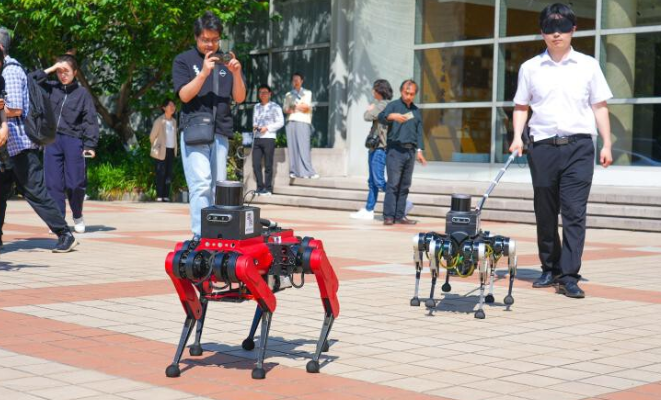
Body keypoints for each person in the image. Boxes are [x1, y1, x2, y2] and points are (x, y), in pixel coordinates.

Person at [509, 3, 613, 299]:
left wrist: (606, 143)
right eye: (551, 29)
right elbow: (521, 106)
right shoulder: (530, 68)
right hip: (542, 147)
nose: (557, 34)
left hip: (579, 146)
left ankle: (568, 275)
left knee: (574, 212)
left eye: (563, 28)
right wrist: (518, 136)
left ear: (573, 30)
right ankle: (550, 267)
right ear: (542, 32)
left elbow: (599, 106)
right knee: (545, 210)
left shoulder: (588, 65)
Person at [0, 27, 77, 252]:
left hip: (19, 145)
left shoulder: (11, 71)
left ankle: (65, 234)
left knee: (35, 192)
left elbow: (15, 108)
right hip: (7, 147)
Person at [172, 11, 246, 239]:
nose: (210, 44)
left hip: (220, 132)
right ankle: (199, 235)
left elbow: (240, 97)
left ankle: (216, 234)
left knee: (218, 187)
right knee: (200, 184)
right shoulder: (184, 60)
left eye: (215, 39)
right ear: (196, 38)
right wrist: (203, 73)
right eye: (206, 39)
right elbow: (184, 95)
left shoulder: (226, 62)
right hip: (195, 132)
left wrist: (236, 73)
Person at [30, 54, 100, 234]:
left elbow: (90, 120)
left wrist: (90, 145)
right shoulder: (51, 87)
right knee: (53, 183)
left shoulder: (82, 93)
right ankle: (59, 220)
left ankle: (77, 214)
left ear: (75, 73)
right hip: (52, 140)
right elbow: (30, 81)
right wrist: (52, 68)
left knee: (75, 183)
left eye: (66, 71)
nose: (63, 75)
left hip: (73, 139)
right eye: (60, 72)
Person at [379, 79, 427, 226]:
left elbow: (419, 132)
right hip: (395, 150)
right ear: (401, 92)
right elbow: (380, 117)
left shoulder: (415, 110)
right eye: (407, 93)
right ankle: (388, 216)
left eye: (412, 94)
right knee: (393, 184)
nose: (409, 96)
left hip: (410, 152)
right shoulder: (393, 105)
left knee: (405, 185)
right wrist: (390, 116)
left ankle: (400, 216)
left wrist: (419, 151)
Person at [350, 79, 392, 220]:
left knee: (379, 180)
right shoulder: (382, 104)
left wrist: (370, 109)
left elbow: (367, 116)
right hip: (375, 146)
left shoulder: (383, 105)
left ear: (380, 91)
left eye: (374, 89)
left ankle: (402, 202)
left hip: (380, 147)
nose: (372, 92)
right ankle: (369, 209)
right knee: (372, 181)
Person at [283, 72, 318, 179]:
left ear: (302, 81)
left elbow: (306, 108)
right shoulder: (288, 95)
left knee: (304, 147)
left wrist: (293, 107)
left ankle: (308, 171)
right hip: (291, 122)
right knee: (292, 147)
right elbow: (285, 109)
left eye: (298, 80)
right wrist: (297, 107)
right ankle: (294, 171)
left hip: (303, 121)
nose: (296, 82)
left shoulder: (307, 93)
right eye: (294, 80)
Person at [252, 84, 284, 196]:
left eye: (265, 92)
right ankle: (260, 187)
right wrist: (255, 126)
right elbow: (255, 121)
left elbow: (281, 122)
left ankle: (268, 189)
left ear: (270, 94)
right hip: (257, 138)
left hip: (269, 138)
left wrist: (268, 128)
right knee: (256, 164)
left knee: (268, 165)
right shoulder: (256, 107)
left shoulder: (275, 107)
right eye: (261, 92)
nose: (263, 94)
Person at [149, 99, 178, 202]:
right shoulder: (159, 121)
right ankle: (159, 195)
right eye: (170, 105)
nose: (172, 107)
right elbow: (152, 136)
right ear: (164, 108)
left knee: (168, 173)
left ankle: (166, 195)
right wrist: (157, 146)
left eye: (173, 105)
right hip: (161, 150)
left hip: (171, 150)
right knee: (160, 173)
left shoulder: (174, 121)